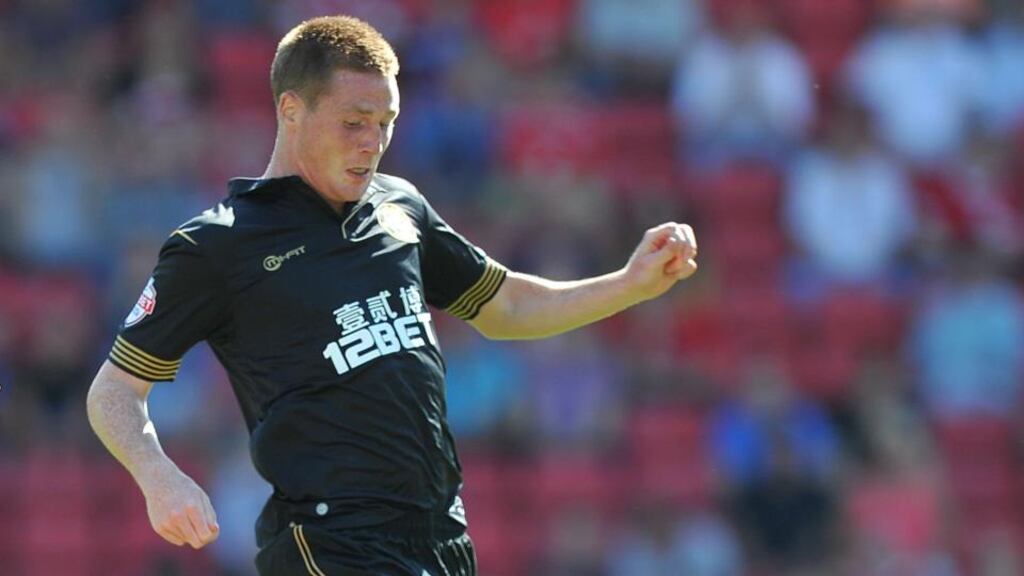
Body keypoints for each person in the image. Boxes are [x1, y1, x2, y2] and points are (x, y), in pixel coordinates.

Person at [85, 15, 698, 576]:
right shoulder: (218, 245)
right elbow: (114, 390)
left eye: (386, 123)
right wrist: (160, 477)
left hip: (441, 535)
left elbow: (506, 307)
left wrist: (629, 284)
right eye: (353, 122)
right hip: (332, 543)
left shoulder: (399, 207)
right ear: (291, 111)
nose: (372, 143)